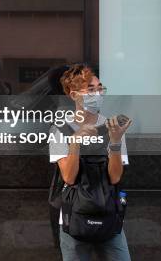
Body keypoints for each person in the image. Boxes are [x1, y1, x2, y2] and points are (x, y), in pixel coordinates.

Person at [49, 63, 132, 261]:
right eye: (90, 90)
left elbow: (115, 177)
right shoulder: (61, 129)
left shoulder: (112, 127)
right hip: (74, 218)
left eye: (100, 88)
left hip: (109, 214)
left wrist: (114, 141)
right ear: (73, 94)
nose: (98, 94)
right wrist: (76, 140)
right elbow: (69, 177)